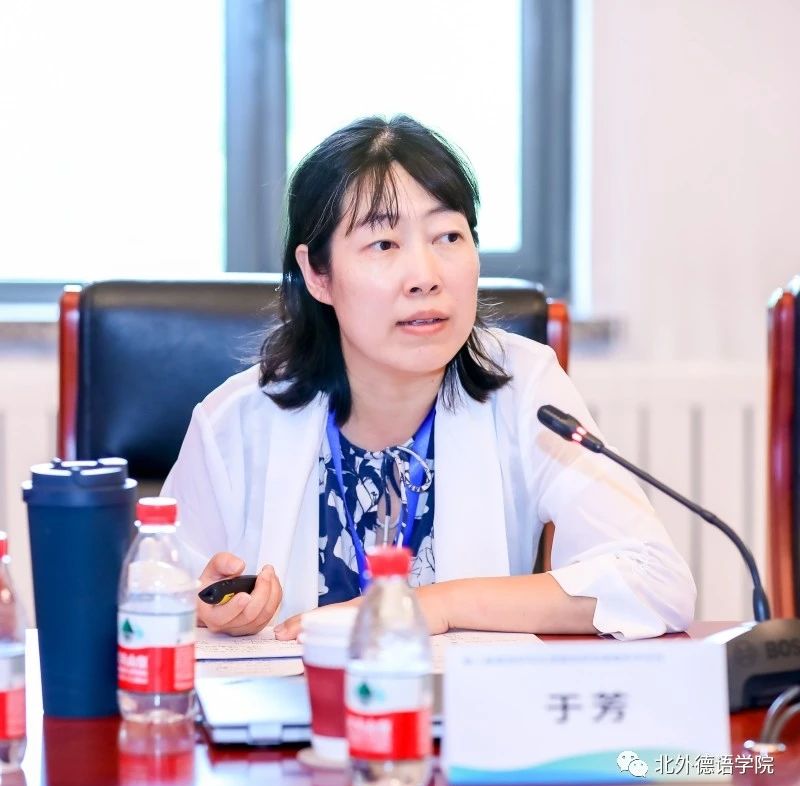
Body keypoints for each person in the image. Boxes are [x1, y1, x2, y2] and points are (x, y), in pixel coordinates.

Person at [162, 115, 696, 641]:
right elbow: (156, 596)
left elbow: (656, 581)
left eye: (448, 236)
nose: (425, 277)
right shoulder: (233, 421)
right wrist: (206, 611)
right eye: (384, 245)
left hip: (468, 701)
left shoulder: (525, 389)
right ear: (318, 274)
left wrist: (433, 606)